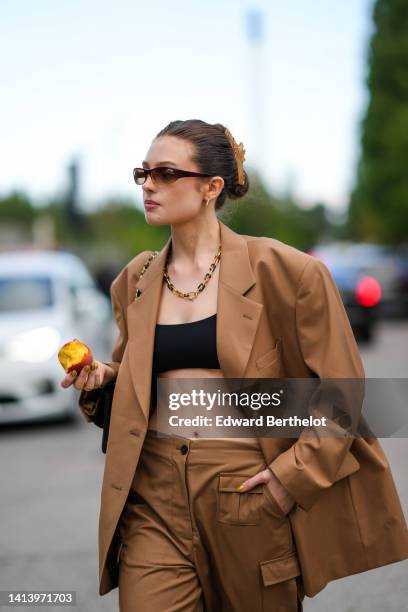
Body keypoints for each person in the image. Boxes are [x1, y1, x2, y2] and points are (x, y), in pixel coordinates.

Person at [61, 119, 408, 612]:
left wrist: (293, 478)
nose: (150, 185)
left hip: (246, 485)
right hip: (151, 490)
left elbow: (343, 391)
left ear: (211, 187)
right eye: (144, 174)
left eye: (165, 173)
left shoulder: (287, 272)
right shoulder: (134, 280)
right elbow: (137, 381)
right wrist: (103, 378)